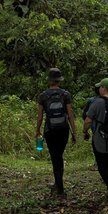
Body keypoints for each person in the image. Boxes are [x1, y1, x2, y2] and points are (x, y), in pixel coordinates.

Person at [36, 68, 77, 197]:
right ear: (59, 80)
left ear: (49, 80)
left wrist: (37, 131)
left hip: (50, 130)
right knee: (59, 156)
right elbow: (70, 115)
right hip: (63, 129)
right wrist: (74, 132)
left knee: (55, 157)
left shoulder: (43, 96)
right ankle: (59, 185)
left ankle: (60, 189)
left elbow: (40, 117)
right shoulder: (65, 95)